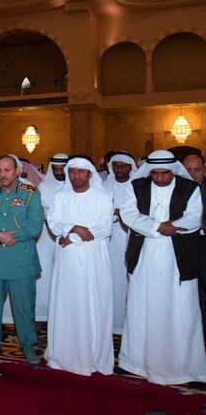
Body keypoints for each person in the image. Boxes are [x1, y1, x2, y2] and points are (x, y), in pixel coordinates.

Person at [118, 150, 206, 385]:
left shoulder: (189, 188)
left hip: (178, 258)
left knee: (180, 309)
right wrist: (158, 227)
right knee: (142, 306)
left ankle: (183, 368)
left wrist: (170, 227)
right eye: (155, 173)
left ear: (173, 170)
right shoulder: (136, 186)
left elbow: (194, 218)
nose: (160, 178)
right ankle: (137, 363)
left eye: (165, 173)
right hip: (145, 254)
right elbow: (128, 214)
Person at [44, 156, 114, 376]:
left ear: (90, 174)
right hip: (66, 263)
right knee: (66, 303)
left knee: (92, 303)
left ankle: (92, 356)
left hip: (94, 260)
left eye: (81, 172)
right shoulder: (60, 196)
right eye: (72, 172)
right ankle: (63, 355)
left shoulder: (103, 197)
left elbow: (103, 229)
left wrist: (72, 237)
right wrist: (74, 227)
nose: (76, 176)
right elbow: (54, 225)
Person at [0, 155, 44, 363]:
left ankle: (28, 344)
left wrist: (12, 236)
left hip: (21, 259)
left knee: (23, 305)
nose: (3, 175)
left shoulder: (31, 194)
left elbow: (35, 226)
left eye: (7, 170)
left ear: (17, 172)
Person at [102, 152, 137, 334]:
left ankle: (130, 325)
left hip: (133, 239)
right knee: (111, 280)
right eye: (116, 165)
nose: (120, 169)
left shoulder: (138, 186)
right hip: (109, 240)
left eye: (124, 166)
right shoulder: (104, 186)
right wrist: (115, 213)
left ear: (131, 167)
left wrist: (120, 212)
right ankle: (112, 323)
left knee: (131, 281)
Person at [35, 153, 69, 323]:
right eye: (55, 169)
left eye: (62, 169)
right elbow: (38, 209)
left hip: (69, 236)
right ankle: (43, 311)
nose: (59, 172)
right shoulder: (43, 186)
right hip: (46, 234)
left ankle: (64, 310)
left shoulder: (74, 186)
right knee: (46, 272)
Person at [182, 153, 206, 341]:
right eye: (187, 170)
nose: (192, 175)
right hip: (183, 250)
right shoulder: (177, 191)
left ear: (204, 170)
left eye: (196, 170)